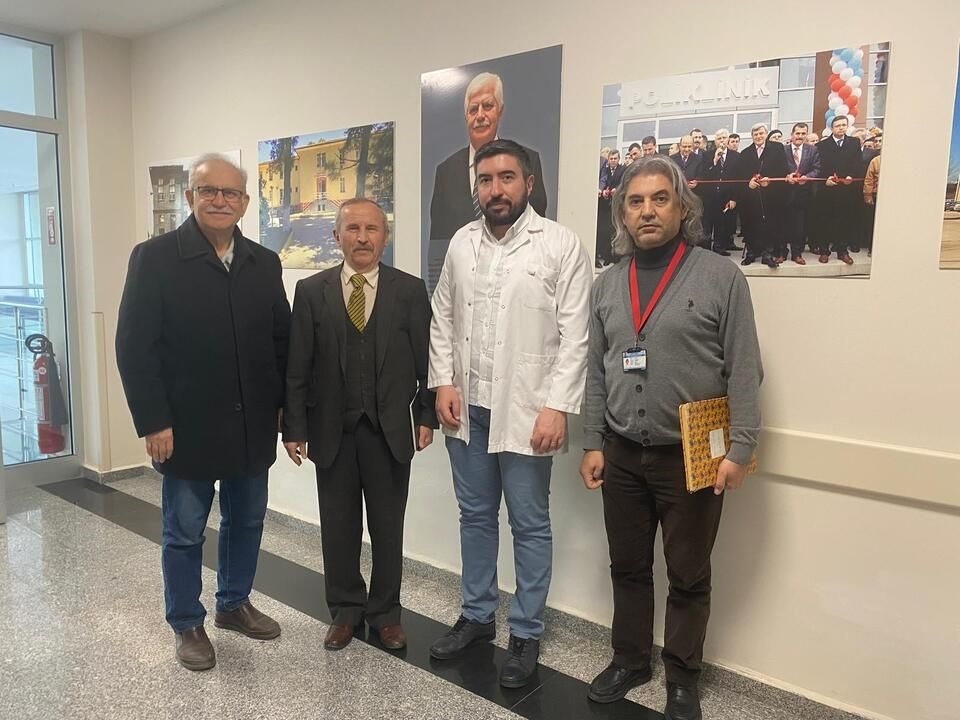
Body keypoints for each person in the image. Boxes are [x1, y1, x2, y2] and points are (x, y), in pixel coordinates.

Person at [580, 155, 762, 719]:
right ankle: (631, 659)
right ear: (622, 213)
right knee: (627, 566)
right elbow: (596, 371)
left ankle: (683, 676)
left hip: (693, 457)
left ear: (683, 207)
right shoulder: (607, 285)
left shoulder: (721, 277)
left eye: (660, 199)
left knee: (688, 573)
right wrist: (592, 441)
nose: (648, 211)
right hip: (621, 454)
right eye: (635, 201)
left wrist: (741, 448)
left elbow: (744, 368)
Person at [116, 154, 291, 671]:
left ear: (245, 202)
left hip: (252, 423)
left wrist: (284, 407)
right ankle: (186, 621)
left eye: (230, 192)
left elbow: (281, 342)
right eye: (208, 191)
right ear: (190, 197)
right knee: (185, 529)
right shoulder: (154, 258)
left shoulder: (264, 263)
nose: (219, 200)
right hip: (185, 428)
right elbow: (134, 347)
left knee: (247, 520)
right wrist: (153, 420)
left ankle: (233, 603)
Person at [428, 139, 592, 688]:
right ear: (475, 187)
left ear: (529, 183)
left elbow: (576, 336)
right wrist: (443, 381)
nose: (495, 189)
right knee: (475, 517)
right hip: (467, 411)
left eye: (506, 178)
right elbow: (442, 316)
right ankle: (477, 616)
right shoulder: (461, 242)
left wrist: (557, 407)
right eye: (486, 180)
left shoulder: (560, 245)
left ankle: (525, 632)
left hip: (527, 412)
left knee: (529, 524)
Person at [282, 198, 437, 652]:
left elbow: (429, 362)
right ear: (337, 237)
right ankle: (346, 609)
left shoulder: (409, 291)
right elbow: (297, 366)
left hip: (389, 432)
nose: (363, 237)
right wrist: (294, 429)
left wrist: (426, 416)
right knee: (338, 527)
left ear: (385, 237)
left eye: (372, 229)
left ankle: (386, 613)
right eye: (353, 228)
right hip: (332, 432)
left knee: (388, 528)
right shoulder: (311, 291)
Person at [427, 72, 548, 294]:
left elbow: (538, 234)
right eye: (473, 109)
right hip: (461, 290)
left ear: (500, 110)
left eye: (488, 106)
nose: (480, 115)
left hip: (516, 289)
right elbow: (438, 243)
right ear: (466, 116)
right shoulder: (445, 171)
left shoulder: (528, 160)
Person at [738, 123, 787, 267]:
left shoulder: (777, 148)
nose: (758, 136)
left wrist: (770, 179)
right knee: (750, 224)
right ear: (752, 136)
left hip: (771, 195)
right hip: (751, 196)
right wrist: (749, 183)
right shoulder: (745, 153)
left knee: (769, 224)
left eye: (761, 133)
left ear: (766, 134)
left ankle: (767, 254)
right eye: (755, 134)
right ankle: (751, 253)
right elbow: (740, 175)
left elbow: (783, 169)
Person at [815, 115, 861, 265]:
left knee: (844, 221)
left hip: (846, 190)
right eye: (837, 126)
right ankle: (824, 251)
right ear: (832, 128)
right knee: (825, 221)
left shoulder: (854, 143)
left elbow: (858, 163)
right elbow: (818, 166)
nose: (841, 128)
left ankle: (842, 251)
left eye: (843, 125)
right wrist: (825, 179)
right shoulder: (822, 145)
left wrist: (851, 176)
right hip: (827, 190)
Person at [695, 127, 740, 255]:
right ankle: (706, 248)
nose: (721, 141)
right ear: (715, 141)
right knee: (707, 223)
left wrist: (734, 198)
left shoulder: (736, 156)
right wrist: (714, 161)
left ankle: (719, 247)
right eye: (719, 138)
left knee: (722, 223)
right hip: (709, 195)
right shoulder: (707, 155)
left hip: (726, 195)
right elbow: (704, 174)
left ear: (728, 139)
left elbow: (737, 178)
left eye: (724, 138)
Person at [783, 122, 821, 264]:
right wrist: (786, 176)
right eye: (797, 133)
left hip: (803, 194)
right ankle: (781, 252)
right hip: (785, 193)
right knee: (783, 225)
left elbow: (817, 168)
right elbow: (777, 168)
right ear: (792, 134)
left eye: (803, 133)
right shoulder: (783, 150)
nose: (800, 136)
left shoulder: (812, 150)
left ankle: (797, 254)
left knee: (799, 227)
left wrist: (807, 177)